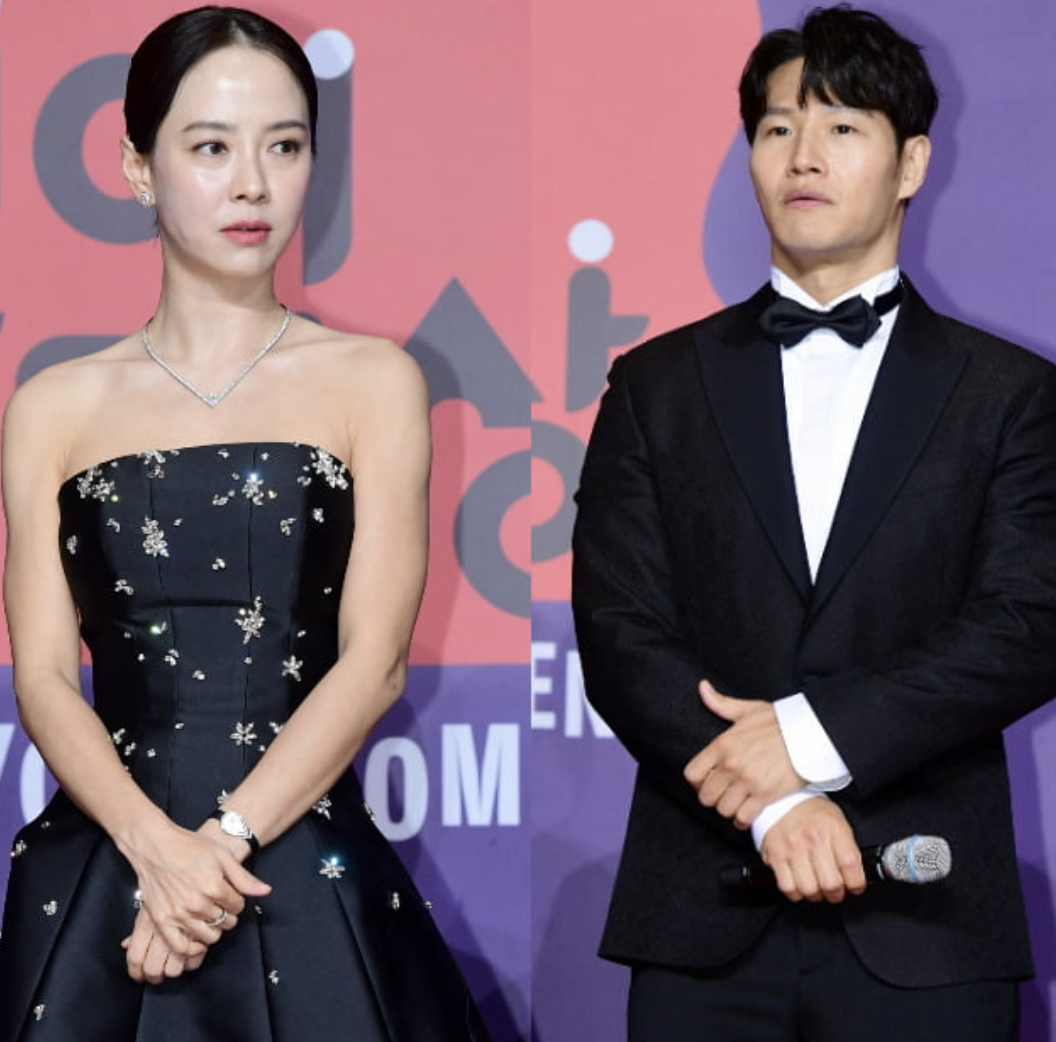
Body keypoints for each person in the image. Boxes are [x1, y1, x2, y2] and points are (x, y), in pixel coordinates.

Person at [0, 7, 488, 1040]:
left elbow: (374, 664)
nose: (253, 186)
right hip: (106, 860)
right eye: (211, 148)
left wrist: (217, 848)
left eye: (285, 146)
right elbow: (41, 674)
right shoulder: (52, 405)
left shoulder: (375, 381)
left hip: (296, 857)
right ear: (138, 168)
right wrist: (155, 849)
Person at [572, 6, 1056, 1041]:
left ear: (911, 162)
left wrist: (808, 738)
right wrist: (775, 804)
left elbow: (1027, 623)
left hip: (929, 918)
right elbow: (618, 631)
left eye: (842, 126)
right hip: (702, 913)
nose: (804, 154)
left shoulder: (1010, 394)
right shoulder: (656, 385)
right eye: (778, 127)